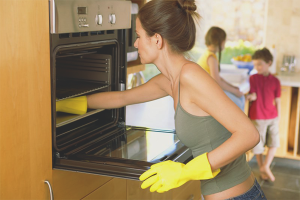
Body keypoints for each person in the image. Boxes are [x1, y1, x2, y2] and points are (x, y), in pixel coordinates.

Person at [57, 0, 265, 199]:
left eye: (138, 36)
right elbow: (121, 98)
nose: (135, 43)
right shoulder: (169, 80)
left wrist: (186, 171)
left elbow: (249, 135)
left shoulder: (191, 76)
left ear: (157, 39)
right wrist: (67, 103)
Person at [247, 48, 281, 182]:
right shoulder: (253, 78)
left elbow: (278, 100)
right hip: (258, 117)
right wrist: (250, 97)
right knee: (259, 145)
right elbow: (254, 94)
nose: (257, 67)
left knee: (274, 142)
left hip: (272, 116)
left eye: (260, 64)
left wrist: (278, 117)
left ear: (269, 63)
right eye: (255, 65)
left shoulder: (276, 81)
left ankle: (266, 166)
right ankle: (262, 167)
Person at [197, 27, 245, 111]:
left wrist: (233, 87)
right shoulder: (211, 58)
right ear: (221, 42)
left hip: (206, 90)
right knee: (238, 102)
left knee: (240, 98)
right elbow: (217, 82)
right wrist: (235, 92)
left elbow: (217, 78)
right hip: (207, 93)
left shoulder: (208, 54)